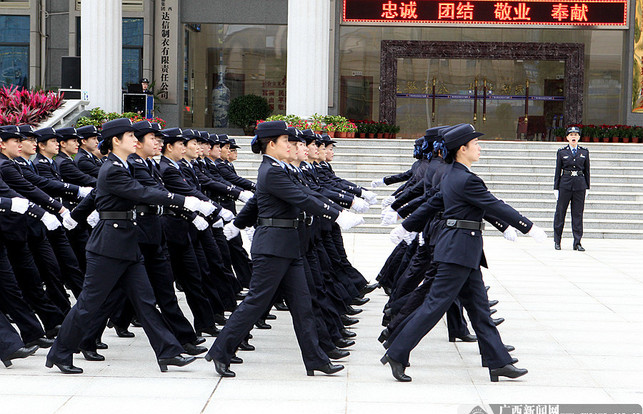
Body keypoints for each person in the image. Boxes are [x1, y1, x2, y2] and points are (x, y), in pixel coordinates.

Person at [380, 123, 547, 382]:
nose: (480, 147)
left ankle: (498, 362)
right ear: (462, 149)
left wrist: (406, 224)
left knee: (480, 309)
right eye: (476, 144)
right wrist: (528, 226)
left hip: (463, 251)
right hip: (457, 250)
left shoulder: (453, 176)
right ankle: (397, 352)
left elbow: (432, 203)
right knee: (434, 306)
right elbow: (495, 205)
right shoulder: (466, 179)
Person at [45, 118, 213, 374]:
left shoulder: (120, 166)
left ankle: (168, 351)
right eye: (131, 136)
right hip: (109, 246)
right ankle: (59, 352)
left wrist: (75, 216)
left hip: (126, 242)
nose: (137, 140)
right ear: (116, 141)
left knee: (145, 301)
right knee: (89, 303)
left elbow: (94, 195)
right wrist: (182, 200)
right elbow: (141, 193)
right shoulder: (113, 168)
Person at [205, 120, 364, 378]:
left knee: (303, 306)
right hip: (273, 247)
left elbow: (259, 202)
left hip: (289, 246)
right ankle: (220, 350)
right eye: (286, 141)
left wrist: (238, 223)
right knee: (256, 302)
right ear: (271, 144)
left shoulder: (280, 170)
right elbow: (301, 198)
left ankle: (316, 359)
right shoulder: (272, 172)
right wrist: (336, 215)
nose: (291, 145)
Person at [553, 126, 590, 251]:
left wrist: (588, 187)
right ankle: (557, 240)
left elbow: (587, 171)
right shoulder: (562, 152)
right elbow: (558, 170)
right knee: (560, 213)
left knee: (578, 214)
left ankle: (577, 242)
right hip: (565, 184)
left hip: (580, 185)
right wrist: (556, 188)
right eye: (571, 135)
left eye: (576, 135)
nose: (573, 137)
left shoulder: (584, 152)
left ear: (579, 137)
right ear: (567, 137)